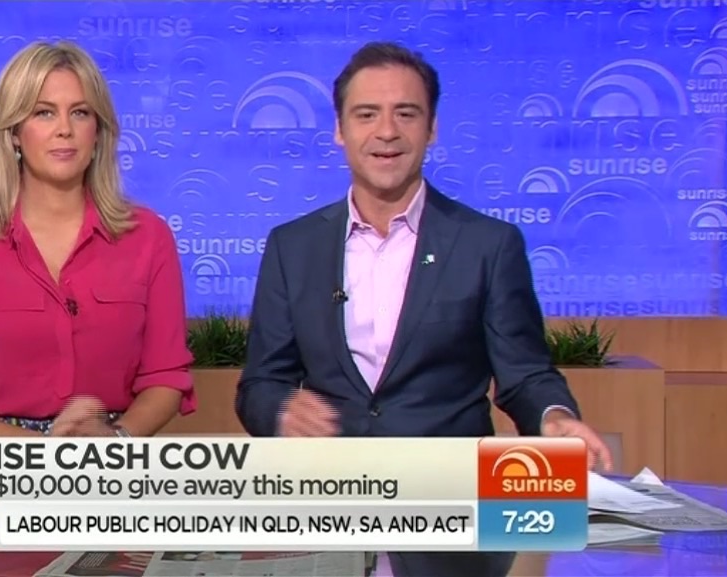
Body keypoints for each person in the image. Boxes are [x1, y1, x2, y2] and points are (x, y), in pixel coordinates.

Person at [234, 42, 613, 577]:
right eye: (367, 114)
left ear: (431, 128)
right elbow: (260, 384)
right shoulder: (292, 247)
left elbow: (526, 376)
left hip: (451, 525)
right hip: (327, 519)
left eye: (406, 114)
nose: (386, 132)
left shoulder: (488, 245)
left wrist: (555, 419)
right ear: (340, 130)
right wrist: (280, 412)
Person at [0, 41, 195, 438]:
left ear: (98, 132)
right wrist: (39, 454)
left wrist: (114, 441)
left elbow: (166, 378)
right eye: (44, 112)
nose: (65, 129)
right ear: (13, 133)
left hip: (111, 455)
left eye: (80, 112)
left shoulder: (148, 237)